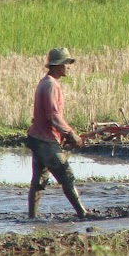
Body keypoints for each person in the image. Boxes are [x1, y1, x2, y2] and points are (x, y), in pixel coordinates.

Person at [26, 47, 87, 218]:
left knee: (38, 181)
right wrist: (70, 133)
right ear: (58, 65)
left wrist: (64, 134)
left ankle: (32, 217)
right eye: (67, 63)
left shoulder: (44, 82)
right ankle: (82, 213)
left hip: (37, 138)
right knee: (67, 176)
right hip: (46, 141)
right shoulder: (52, 85)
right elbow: (53, 115)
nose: (69, 66)